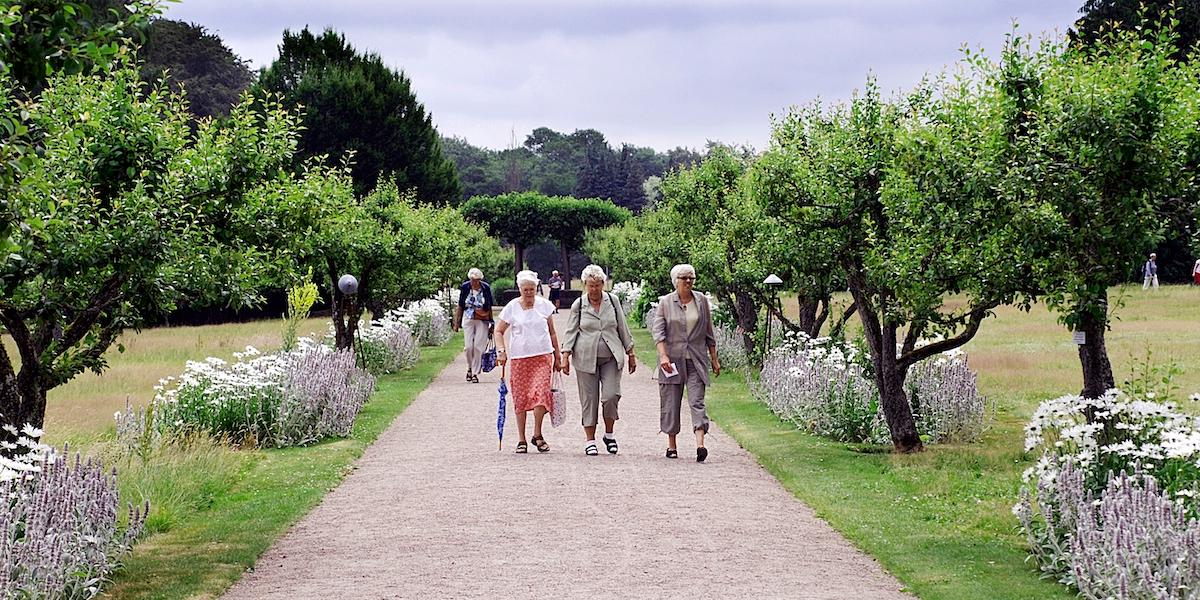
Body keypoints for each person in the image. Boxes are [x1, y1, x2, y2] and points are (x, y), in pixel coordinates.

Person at [561, 265, 636, 456]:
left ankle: (609, 435)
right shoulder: (579, 304)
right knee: (589, 399)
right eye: (590, 285)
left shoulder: (613, 300)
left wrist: (631, 352)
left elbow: (622, 326)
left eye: (597, 285)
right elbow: (571, 330)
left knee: (611, 396)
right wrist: (565, 355)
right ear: (585, 285)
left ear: (603, 284)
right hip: (585, 357)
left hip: (611, 356)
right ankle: (590, 440)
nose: (594, 289)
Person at [652, 263, 720, 462]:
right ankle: (671, 445)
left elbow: (709, 331)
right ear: (676, 281)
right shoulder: (665, 302)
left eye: (691, 277)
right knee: (671, 402)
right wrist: (663, 356)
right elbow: (659, 332)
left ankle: (700, 445)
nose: (688, 281)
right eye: (684, 278)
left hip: (696, 360)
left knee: (697, 401)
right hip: (671, 361)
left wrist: (714, 359)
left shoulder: (701, 301)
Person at [496, 270, 562, 453]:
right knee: (521, 397)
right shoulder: (512, 307)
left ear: (536, 288)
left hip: (542, 357)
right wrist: (501, 351)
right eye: (525, 290)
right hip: (520, 359)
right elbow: (499, 331)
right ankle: (521, 438)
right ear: (520, 289)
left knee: (541, 395)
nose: (529, 293)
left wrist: (557, 356)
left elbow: (552, 332)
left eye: (532, 289)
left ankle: (537, 434)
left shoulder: (544, 306)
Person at [453, 268, 494, 383]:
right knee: (468, 347)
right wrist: (456, 323)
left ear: (480, 280)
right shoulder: (465, 287)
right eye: (472, 280)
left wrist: (492, 323)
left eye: (476, 280)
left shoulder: (485, 287)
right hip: (468, 317)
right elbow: (461, 305)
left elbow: (489, 305)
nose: (474, 282)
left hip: (482, 318)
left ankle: (475, 372)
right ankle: (469, 367)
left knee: (478, 347)